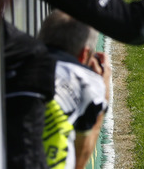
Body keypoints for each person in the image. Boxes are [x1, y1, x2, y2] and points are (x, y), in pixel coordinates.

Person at [38, 11, 110, 169]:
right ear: (84, 54)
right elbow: (80, 161)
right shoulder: (87, 82)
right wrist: (104, 91)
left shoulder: (9, 62)